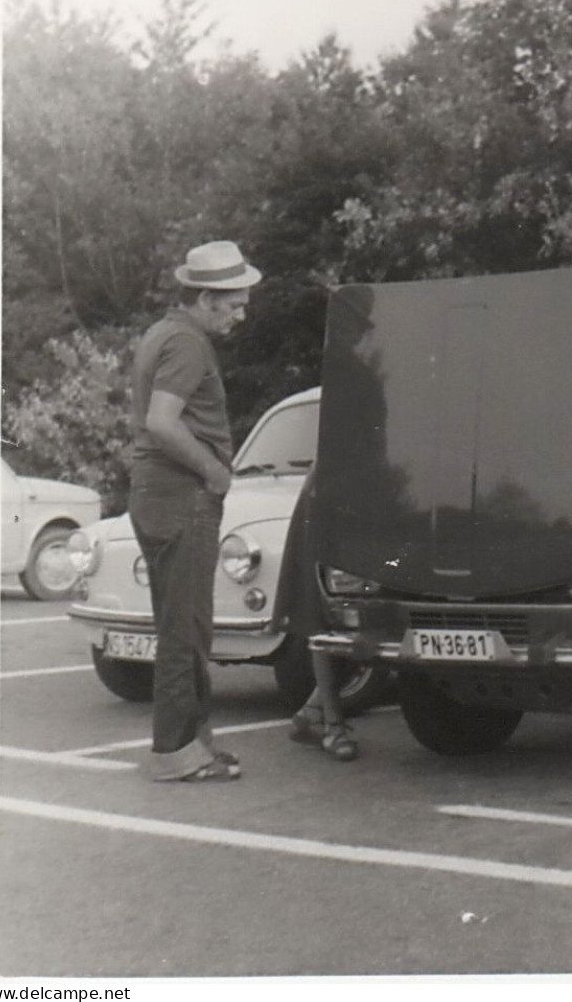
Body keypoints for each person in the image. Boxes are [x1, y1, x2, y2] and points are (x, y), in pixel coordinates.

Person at [129, 240, 261, 782]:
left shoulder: (165, 332)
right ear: (204, 297)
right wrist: (214, 472)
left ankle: (194, 744)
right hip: (183, 497)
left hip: (161, 495)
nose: (241, 314)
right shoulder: (186, 343)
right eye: (232, 304)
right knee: (185, 629)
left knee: (186, 624)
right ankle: (176, 752)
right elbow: (162, 422)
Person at [276, 467, 359, 760]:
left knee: (365, 623)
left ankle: (313, 711)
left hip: (367, 485)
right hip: (336, 487)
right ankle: (332, 725)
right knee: (329, 614)